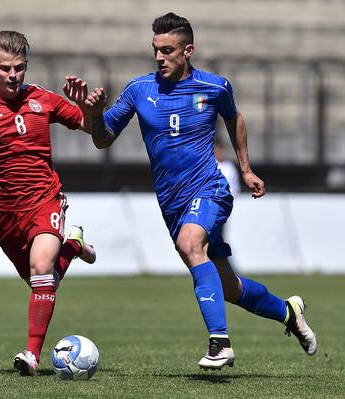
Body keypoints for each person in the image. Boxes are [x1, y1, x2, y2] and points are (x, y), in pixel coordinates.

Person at [73, 12, 317, 370]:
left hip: (210, 188)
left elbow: (234, 118)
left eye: (168, 50)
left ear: (188, 50)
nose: (160, 57)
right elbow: (102, 140)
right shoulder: (139, 90)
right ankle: (288, 312)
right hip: (172, 203)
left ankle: (220, 343)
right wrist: (91, 114)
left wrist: (246, 169)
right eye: (155, 49)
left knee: (191, 245)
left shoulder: (215, 87)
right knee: (229, 288)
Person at [0, 30, 97, 377]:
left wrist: (89, 108)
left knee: (41, 267)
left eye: (19, 67)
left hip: (45, 198)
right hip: (5, 214)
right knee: (44, 280)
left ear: (26, 66)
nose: (13, 75)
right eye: (5, 68)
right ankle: (73, 246)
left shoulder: (42, 98)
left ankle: (31, 355)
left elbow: (92, 129)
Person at [214, 136, 240, 272]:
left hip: (222, 208)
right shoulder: (209, 165)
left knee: (218, 239)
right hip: (208, 207)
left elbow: (234, 188)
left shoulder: (229, 167)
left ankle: (225, 270)